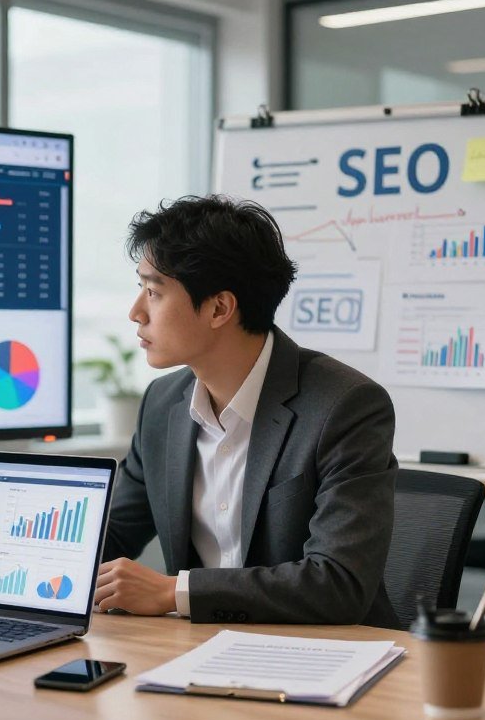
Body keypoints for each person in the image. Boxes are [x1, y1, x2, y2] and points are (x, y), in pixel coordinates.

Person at [93, 194, 398, 628]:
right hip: (199, 649)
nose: (135, 312)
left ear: (219, 308)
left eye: (154, 292)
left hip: (330, 657)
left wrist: (173, 592)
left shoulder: (345, 407)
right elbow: (111, 537)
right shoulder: (163, 404)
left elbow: (338, 582)